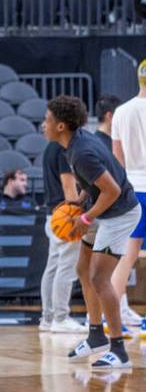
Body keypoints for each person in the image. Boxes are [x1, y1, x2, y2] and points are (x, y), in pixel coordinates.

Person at [43, 95, 141, 370]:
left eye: (47, 120)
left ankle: (119, 349)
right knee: (83, 269)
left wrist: (86, 217)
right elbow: (96, 180)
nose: (43, 125)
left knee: (100, 277)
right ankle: (96, 336)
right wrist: (82, 197)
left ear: (61, 125)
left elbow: (113, 190)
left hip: (119, 213)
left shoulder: (81, 151)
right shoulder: (75, 145)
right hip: (103, 208)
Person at [111, 61, 146, 336]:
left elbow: (117, 160)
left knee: (127, 256)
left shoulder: (121, 112)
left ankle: (114, 319)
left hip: (132, 189)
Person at [39, 140, 86, 334]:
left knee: (53, 266)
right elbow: (69, 186)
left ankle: (47, 318)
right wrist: (77, 215)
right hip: (65, 215)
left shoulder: (50, 147)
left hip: (53, 214)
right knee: (66, 266)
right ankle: (61, 317)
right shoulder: (62, 148)